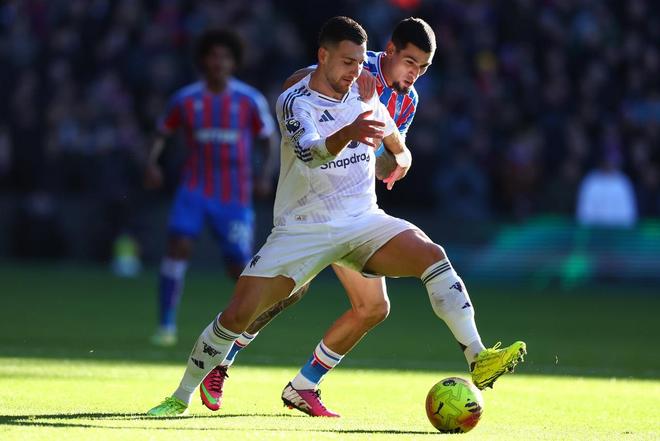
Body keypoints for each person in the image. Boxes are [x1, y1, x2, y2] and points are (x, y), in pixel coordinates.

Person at [147, 16, 525, 418]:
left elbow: (393, 148)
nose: (414, 74)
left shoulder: (384, 96)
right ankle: (187, 390)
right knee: (251, 308)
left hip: (360, 217)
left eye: (424, 68)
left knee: (412, 273)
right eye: (410, 62)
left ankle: (475, 356)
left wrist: (397, 158)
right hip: (305, 224)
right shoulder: (316, 90)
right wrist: (351, 126)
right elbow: (308, 142)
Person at [146, 30, 277, 346]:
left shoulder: (249, 100)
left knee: (238, 265)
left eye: (225, 57)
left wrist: (265, 175)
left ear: (234, 62)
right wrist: (151, 163)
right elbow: (162, 133)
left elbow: (269, 140)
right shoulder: (186, 99)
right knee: (178, 245)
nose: (219, 62)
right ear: (203, 60)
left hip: (234, 194)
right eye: (213, 56)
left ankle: (246, 326)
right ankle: (166, 325)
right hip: (194, 187)